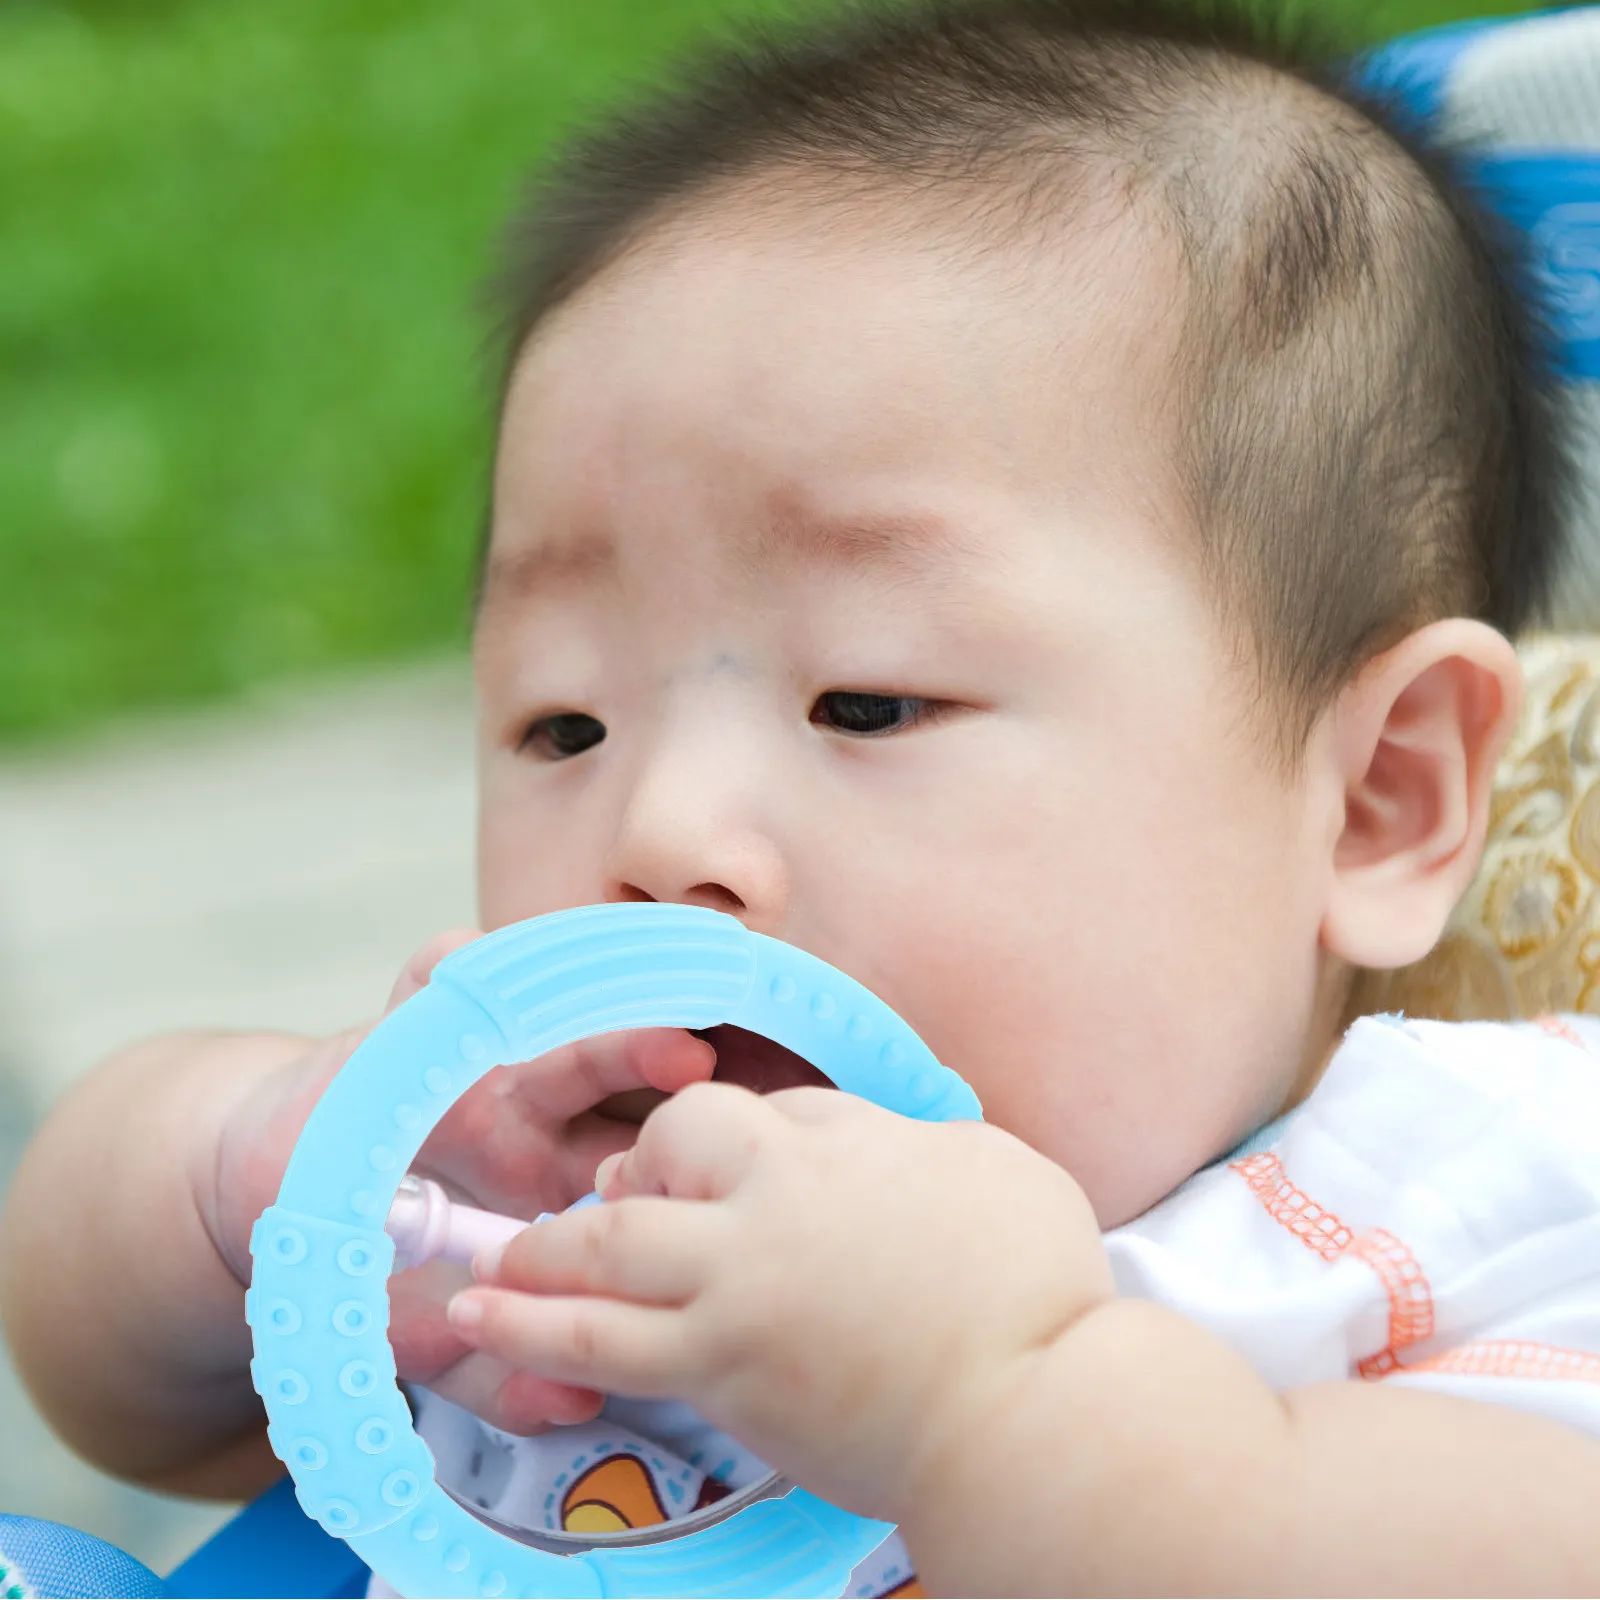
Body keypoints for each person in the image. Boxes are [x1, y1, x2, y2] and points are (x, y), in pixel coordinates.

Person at [5, 0, 1599, 1591]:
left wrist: (994, 1395)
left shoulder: (1469, 1215)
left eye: (870, 701)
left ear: (1375, 796)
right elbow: (125, 1398)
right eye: (566, 725)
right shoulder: (558, 1208)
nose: (664, 833)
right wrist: (253, 1175)